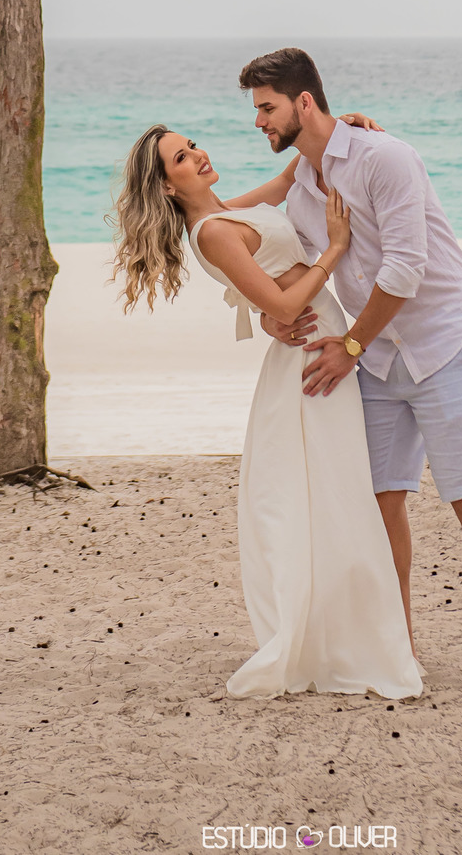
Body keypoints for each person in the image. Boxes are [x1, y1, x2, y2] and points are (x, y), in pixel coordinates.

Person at [112, 122, 422, 701]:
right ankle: (343, 636)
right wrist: (333, 247)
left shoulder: (230, 210)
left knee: (337, 491)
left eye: (194, 144)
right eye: (181, 157)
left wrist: (338, 125)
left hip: (317, 341)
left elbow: (287, 179)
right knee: (330, 495)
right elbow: (279, 301)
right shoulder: (212, 233)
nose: (199, 155)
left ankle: (360, 628)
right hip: (312, 353)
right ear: (168, 186)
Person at [241, 47, 462, 688]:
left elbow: (405, 268)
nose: (259, 122)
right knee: (381, 502)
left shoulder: (385, 157)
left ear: (304, 102)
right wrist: (271, 316)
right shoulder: (302, 188)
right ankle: (400, 643)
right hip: (378, 359)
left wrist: (351, 346)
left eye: (266, 107)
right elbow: (287, 262)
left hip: (445, 343)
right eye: (256, 110)